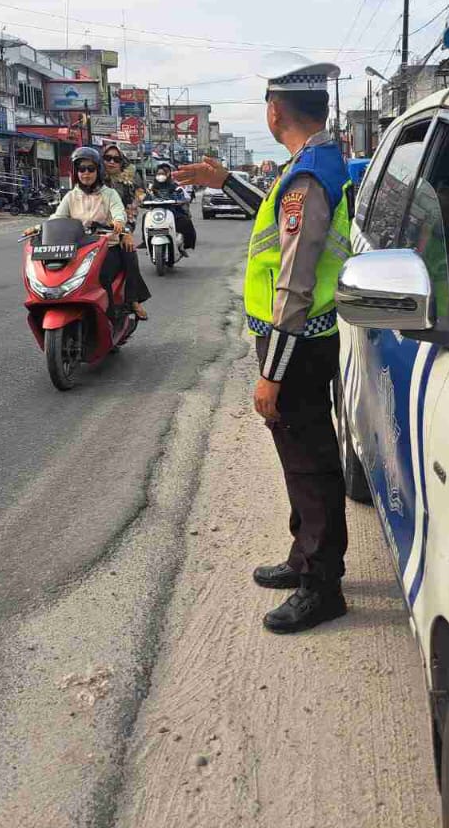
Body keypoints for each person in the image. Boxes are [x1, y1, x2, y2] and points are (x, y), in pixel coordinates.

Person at [174, 63, 352, 634]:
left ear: (276, 112)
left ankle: (322, 586)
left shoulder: (308, 176)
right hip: (304, 338)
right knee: (302, 461)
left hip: (296, 343)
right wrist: (225, 179)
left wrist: (271, 373)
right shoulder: (313, 165)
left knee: (311, 464)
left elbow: (296, 281)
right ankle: (305, 557)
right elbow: (280, 224)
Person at [38, 146, 150, 320]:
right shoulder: (71, 196)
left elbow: (120, 211)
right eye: (82, 169)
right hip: (78, 247)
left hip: (105, 245)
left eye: (91, 169)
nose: (86, 173)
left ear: (98, 170)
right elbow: (57, 217)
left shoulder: (110, 193)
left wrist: (120, 223)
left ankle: (115, 314)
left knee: (107, 272)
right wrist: (39, 228)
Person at [147, 162, 197, 252]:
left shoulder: (175, 187)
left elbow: (183, 197)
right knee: (144, 219)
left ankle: (185, 245)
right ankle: (146, 241)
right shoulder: (152, 187)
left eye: (163, 173)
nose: (161, 176)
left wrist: (179, 200)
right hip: (156, 213)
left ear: (168, 174)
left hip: (173, 213)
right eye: (159, 174)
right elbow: (146, 198)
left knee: (186, 222)